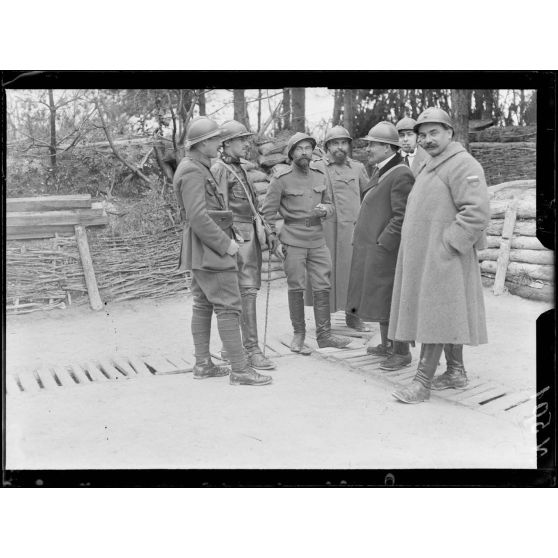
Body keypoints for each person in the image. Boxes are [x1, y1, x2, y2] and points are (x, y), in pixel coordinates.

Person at [389, 108, 490, 403]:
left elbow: (477, 212)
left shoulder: (462, 164)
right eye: (422, 135)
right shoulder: (431, 164)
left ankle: (422, 383)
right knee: (446, 312)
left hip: (445, 257)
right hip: (429, 257)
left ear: (450, 133)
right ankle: (456, 371)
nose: (427, 139)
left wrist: (449, 245)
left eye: (434, 132)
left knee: (435, 315)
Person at [173, 117, 272, 386]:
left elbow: (213, 212)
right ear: (202, 143)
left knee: (203, 305)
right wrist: (226, 243)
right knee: (229, 304)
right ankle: (240, 369)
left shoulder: (195, 166)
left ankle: (203, 364)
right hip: (210, 249)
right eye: (216, 140)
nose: (220, 144)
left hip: (200, 248)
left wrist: (233, 230)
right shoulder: (193, 171)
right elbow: (198, 217)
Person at [262, 132, 352, 354]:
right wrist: (272, 237)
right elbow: (268, 213)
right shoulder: (281, 179)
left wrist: (326, 210)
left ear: (313, 152)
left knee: (323, 284)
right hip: (293, 239)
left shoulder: (320, 176)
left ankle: (324, 335)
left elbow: (330, 204)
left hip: (317, 239)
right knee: (296, 285)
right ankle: (299, 334)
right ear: (291, 153)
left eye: (308, 148)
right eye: (299, 148)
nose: (304, 152)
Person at [345, 121, 415, 371]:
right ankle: (387, 344)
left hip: (385, 251)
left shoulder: (401, 173)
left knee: (389, 298)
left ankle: (401, 351)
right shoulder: (382, 170)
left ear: (388, 147)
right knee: (380, 298)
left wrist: (382, 243)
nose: (368, 149)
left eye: (373, 144)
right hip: (374, 249)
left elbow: (402, 215)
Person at [210, 120, 277, 371]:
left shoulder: (241, 168)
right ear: (226, 144)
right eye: (242, 140)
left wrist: (267, 230)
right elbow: (219, 211)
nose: (247, 144)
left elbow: (253, 206)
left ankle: (231, 349)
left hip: (250, 236)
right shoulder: (220, 169)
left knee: (245, 294)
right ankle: (251, 350)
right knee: (245, 294)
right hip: (237, 239)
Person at [305, 126, 370, 332]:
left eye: (344, 143)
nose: (340, 147)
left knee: (354, 275)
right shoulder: (317, 167)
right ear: (327, 146)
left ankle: (354, 317)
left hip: (351, 232)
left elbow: (368, 196)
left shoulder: (358, 168)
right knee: (323, 274)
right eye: (335, 143)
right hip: (326, 232)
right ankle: (323, 323)